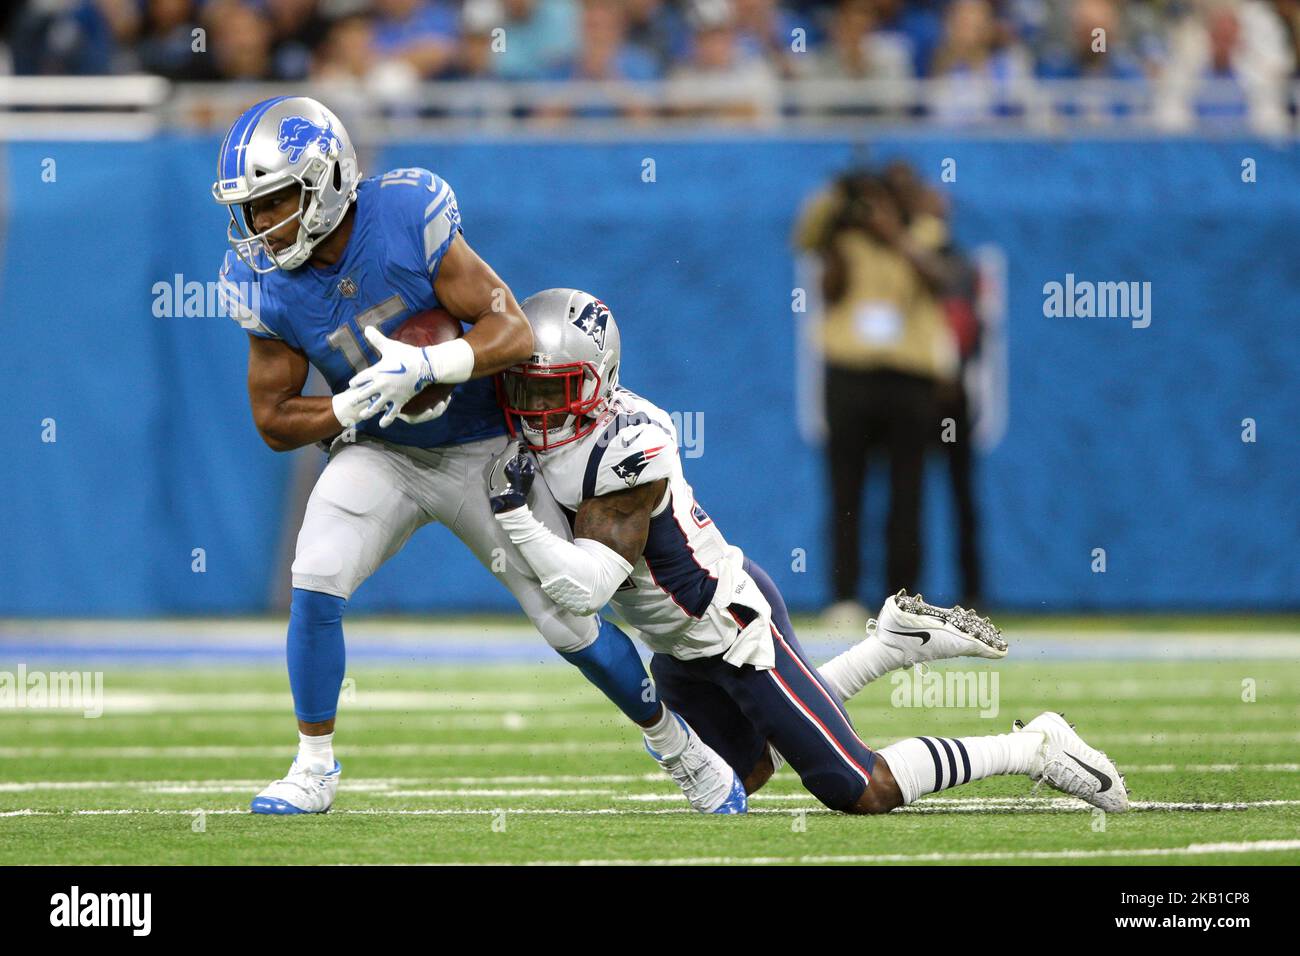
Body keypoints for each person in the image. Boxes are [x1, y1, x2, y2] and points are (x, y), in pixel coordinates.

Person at [211, 95, 742, 815]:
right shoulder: (261, 285)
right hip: (383, 450)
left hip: (485, 451)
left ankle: (683, 752)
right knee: (317, 571)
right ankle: (313, 767)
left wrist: (432, 366)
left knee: (567, 619)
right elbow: (273, 420)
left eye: (276, 202)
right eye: (254, 209)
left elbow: (513, 330)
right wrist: (346, 406)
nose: (262, 227)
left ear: (329, 179)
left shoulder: (405, 216)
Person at [484, 288, 1129, 815]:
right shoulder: (546, 449)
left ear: (601, 379)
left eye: (555, 389)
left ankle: (1033, 746)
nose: (539, 410)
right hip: (678, 644)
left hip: (733, 629)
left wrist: (514, 516)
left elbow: (589, 590)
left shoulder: (631, 447)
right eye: (527, 391)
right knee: (745, 773)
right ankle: (890, 647)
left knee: (860, 790)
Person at [794, 170, 954, 627]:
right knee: (846, 490)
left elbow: (943, 278)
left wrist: (896, 237)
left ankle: (903, 603)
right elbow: (815, 260)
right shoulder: (843, 241)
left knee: (908, 492)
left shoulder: (925, 234)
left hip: (909, 378)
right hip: (850, 375)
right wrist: (835, 205)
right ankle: (844, 596)